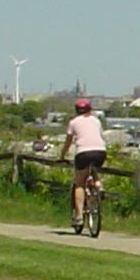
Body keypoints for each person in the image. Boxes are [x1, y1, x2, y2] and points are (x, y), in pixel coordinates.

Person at [57, 97, 108, 227]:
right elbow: (101, 136)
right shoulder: (96, 121)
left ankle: (79, 216)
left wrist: (62, 155)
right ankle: (98, 185)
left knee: (79, 184)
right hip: (100, 151)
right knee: (94, 168)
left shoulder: (73, 122)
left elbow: (68, 142)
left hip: (83, 153)